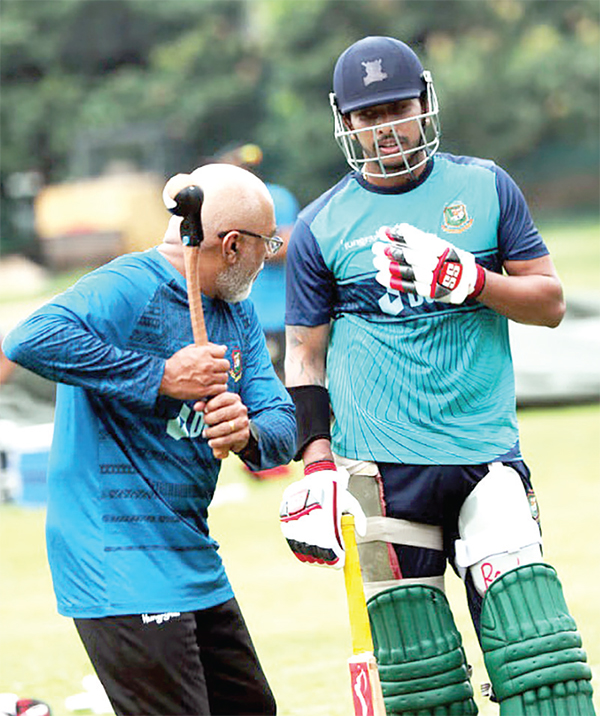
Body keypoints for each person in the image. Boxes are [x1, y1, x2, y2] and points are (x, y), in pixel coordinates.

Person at [279, 36, 594, 715]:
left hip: (485, 455)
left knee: (543, 664)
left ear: (425, 104)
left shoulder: (484, 188)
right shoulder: (319, 226)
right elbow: (304, 354)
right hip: (381, 473)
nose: (386, 127)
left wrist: (471, 279)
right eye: (368, 115)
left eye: (397, 107)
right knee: (422, 685)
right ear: (345, 122)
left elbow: (550, 303)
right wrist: (316, 464)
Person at [3, 162, 296, 716]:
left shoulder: (237, 312)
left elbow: (281, 420)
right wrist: (160, 377)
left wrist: (247, 432)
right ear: (233, 245)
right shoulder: (129, 284)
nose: (269, 254)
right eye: (266, 243)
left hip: (192, 558)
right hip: (115, 558)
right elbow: (30, 339)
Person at [216, 143, 300, 480]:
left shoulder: (275, 197)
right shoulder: (221, 203)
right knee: (246, 387)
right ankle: (259, 461)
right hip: (246, 312)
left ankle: (279, 452)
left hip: (278, 310)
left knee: (282, 385)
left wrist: (253, 244)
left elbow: (291, 242)